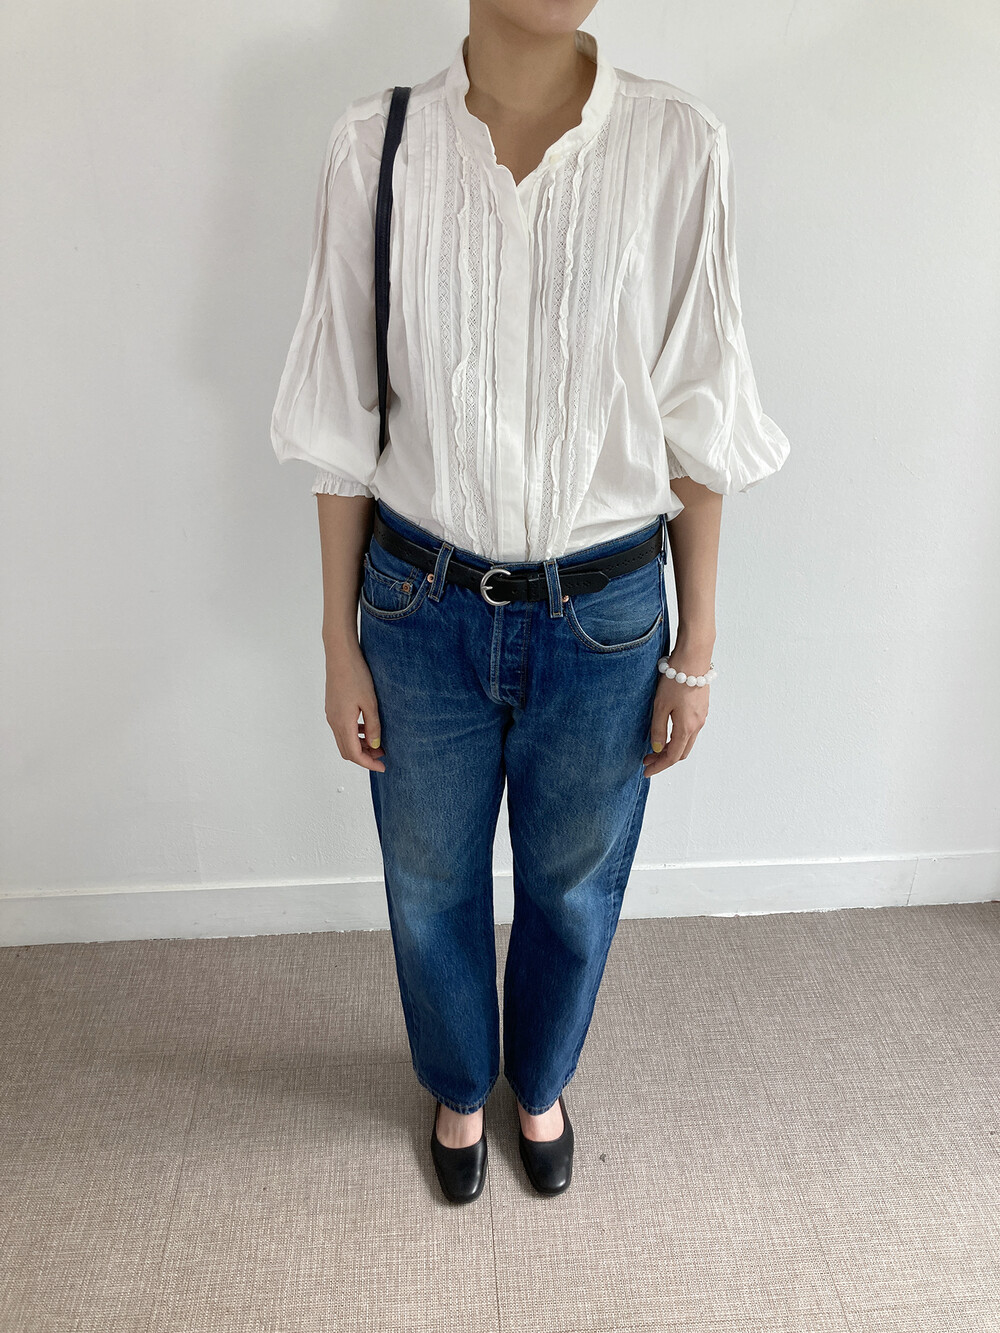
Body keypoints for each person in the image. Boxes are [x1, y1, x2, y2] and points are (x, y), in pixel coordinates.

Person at [269, 0, 790, 1204]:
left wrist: (697, 647)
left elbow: (699, 414)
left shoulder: (677, 146)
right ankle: (460, 1083)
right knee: (429, 881)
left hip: (605, 615)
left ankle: (540, 1078)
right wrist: (337, 640)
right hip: (419, 603)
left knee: (570, 884)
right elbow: (342, 420)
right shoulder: (376, 146)